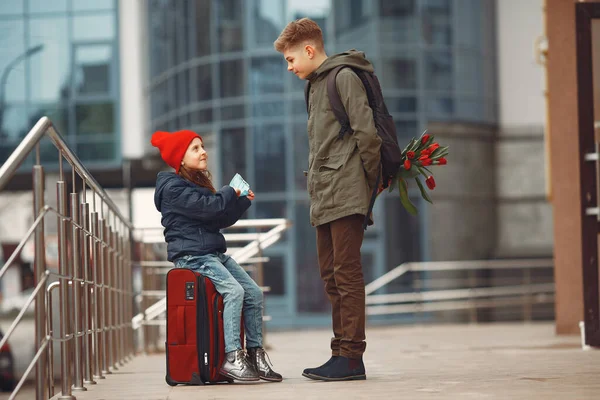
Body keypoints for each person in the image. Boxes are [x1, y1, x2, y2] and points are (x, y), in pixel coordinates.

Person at [274, 18, 381, 381]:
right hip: (325, 194)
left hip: (347, 190)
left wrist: (368, 184)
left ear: (309, 49)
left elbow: (367, 134)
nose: (289, 68)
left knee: (347, 274)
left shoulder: (343, 78)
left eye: (290, 60)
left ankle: (352, 357)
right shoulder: (315, 87)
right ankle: (340, 352)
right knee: (330, 275)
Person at [151, 129, 282, 383]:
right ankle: (232, 357)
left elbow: (218, 217)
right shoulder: (173, 188)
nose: (203, 152)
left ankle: (255, 355)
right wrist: (229, 190)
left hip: (211, 253)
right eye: (195, 148)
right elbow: (210, 207)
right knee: (234, 292)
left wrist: (241, 201)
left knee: (253, 292)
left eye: (202, 146)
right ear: (180, 158)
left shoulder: (195, 184)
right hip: (193, 257)